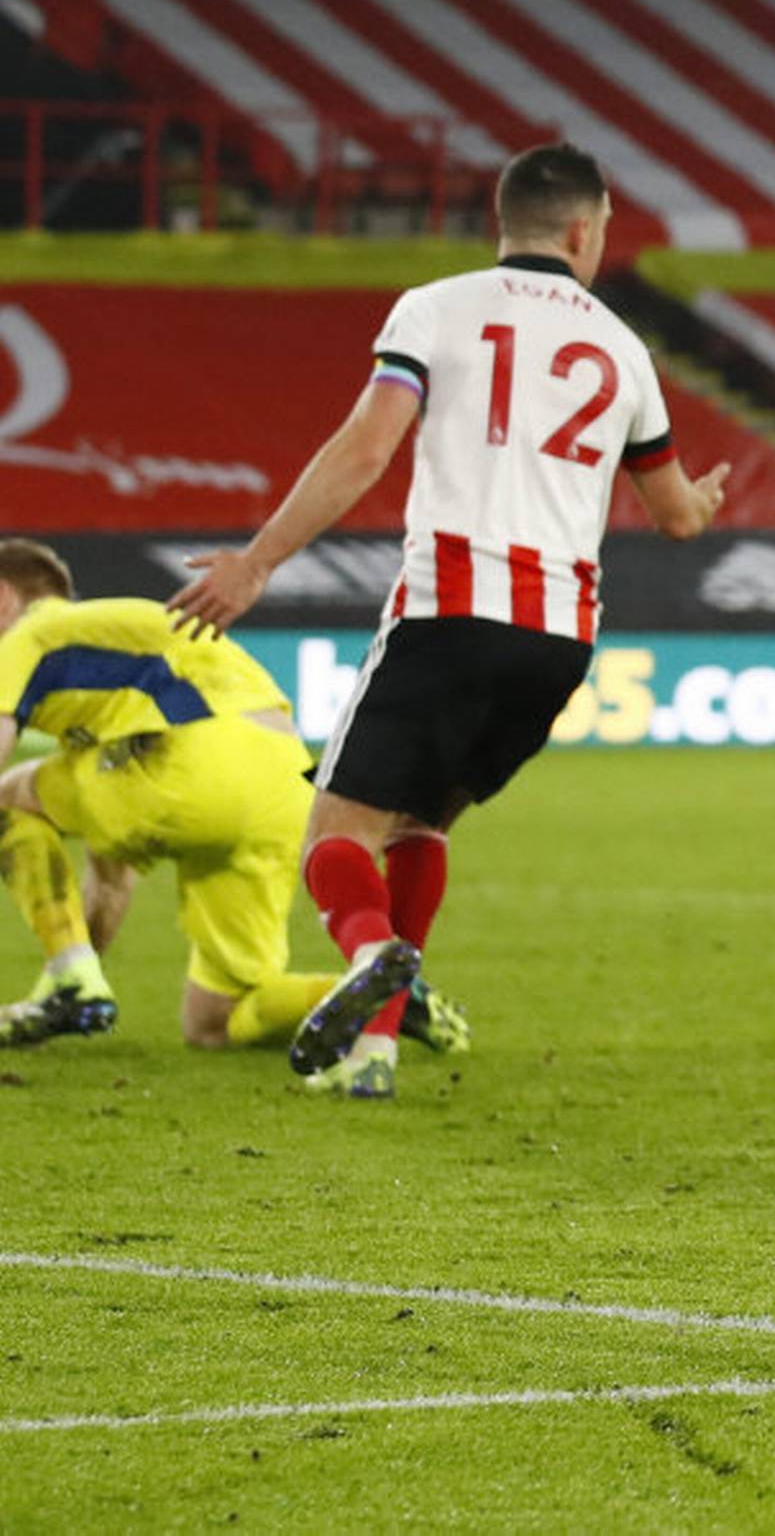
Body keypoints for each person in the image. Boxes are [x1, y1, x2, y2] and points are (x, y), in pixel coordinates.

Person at [169, 142, 731, 1099]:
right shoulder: (624, 348)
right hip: (560, 637)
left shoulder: (437, 309)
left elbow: (369, 443)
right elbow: (676, 514)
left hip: (452, 606)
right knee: (423, 821)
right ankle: (374, 1051)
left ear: (501, 224)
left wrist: (259, 560)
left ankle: (373, 952)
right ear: (587, 230)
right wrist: (708, 499)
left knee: (334, 838)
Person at [0, 539, 468, 1056]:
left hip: (189, 761)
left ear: (4, 599)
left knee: (10, 796)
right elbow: (112, 879)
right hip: (283, 788)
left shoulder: (30, 634)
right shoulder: (112, 670)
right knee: (216, 1021)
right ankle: (386, 995)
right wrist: (75, 973)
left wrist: (70, 971)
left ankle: (70, 980)